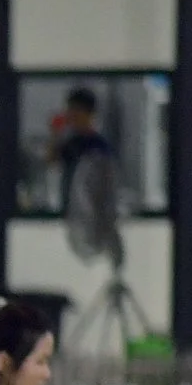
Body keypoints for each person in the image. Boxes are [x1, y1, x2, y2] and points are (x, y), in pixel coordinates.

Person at [52, 86, 121, 267]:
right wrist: (56, 134)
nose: (71, 117)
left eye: (76, 112)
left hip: (90, 220)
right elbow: (52, 162)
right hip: (72, 216)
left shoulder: (99, 147)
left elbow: (106, 192)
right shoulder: (71, 143)